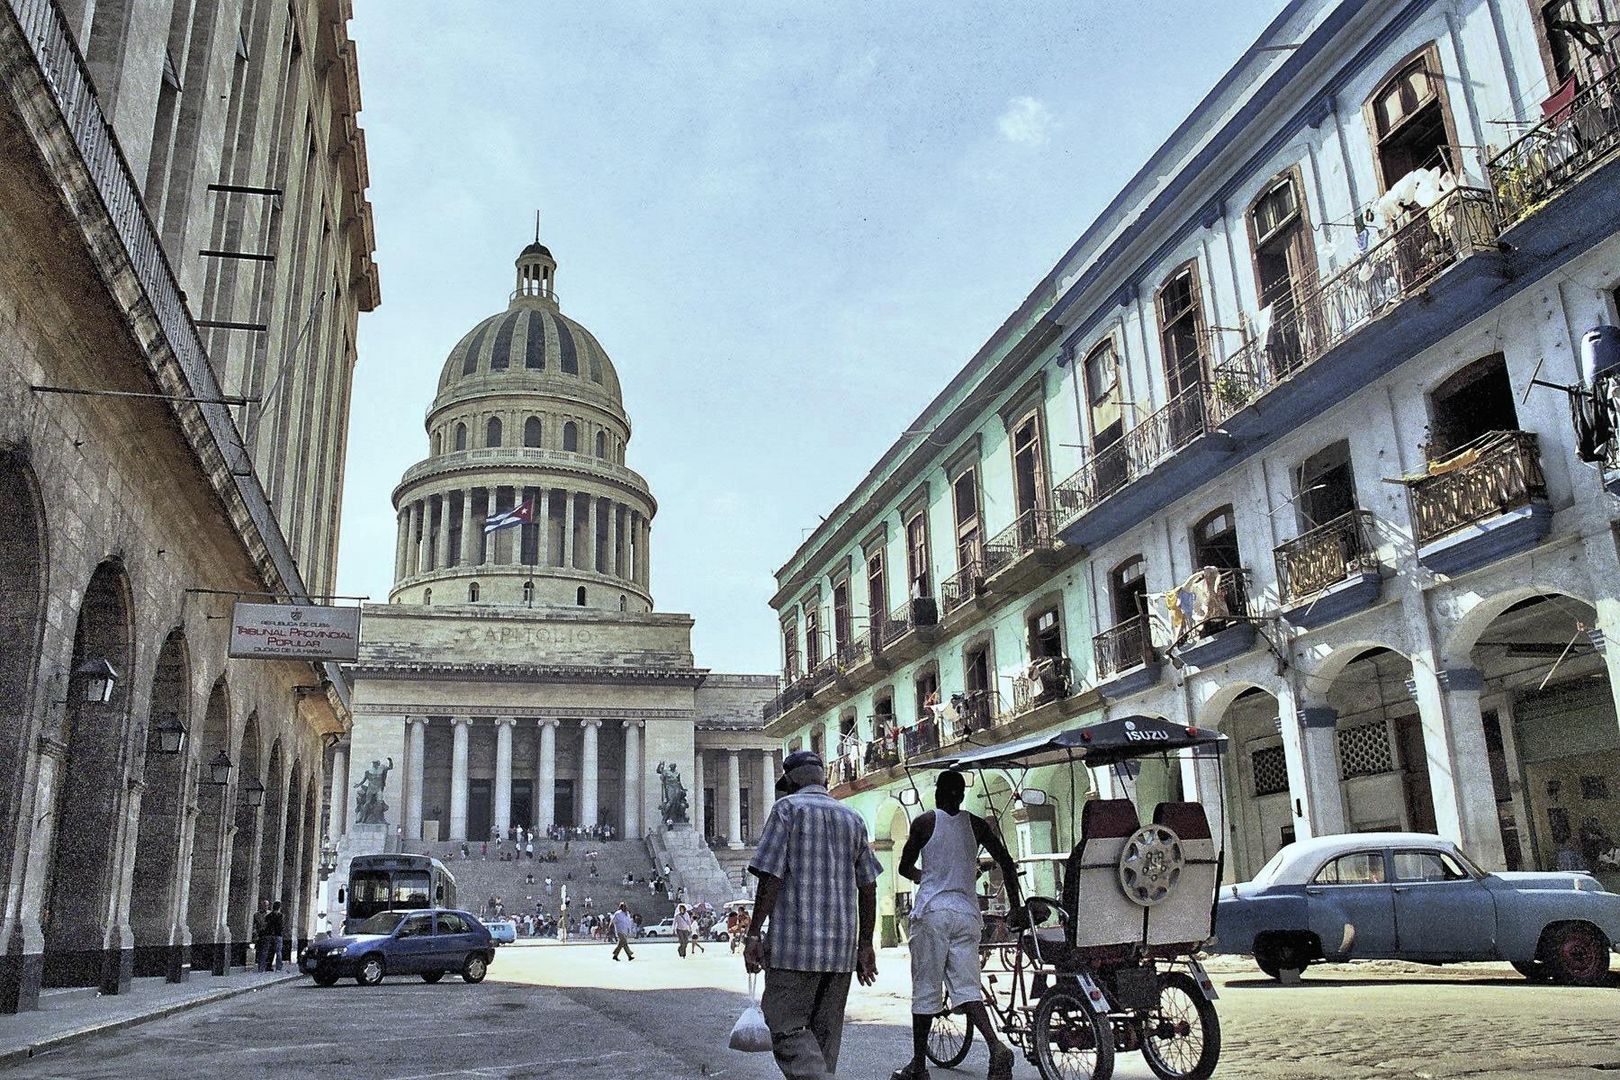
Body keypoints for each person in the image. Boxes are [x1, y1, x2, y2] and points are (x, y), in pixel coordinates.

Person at [745, 750, 881, 1080]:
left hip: (794, 949)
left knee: (783, 1025)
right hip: (840, 954)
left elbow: (771, 877)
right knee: (824, 1040)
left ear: (789, 781)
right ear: (824, 779)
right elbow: (869, 886)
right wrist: (865, 945)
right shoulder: (852, 818)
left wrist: (753, 933)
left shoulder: (787, 810)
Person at [890, 769, 1021, 1080]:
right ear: (961, 795)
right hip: (966, 915)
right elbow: (1006, 861)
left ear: (938, 792)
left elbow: (905, 866)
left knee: (925, 990)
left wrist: (927, 877)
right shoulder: (976, 824)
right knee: (967, 989)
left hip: (933, 913)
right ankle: (995, 1046)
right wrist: (1016, 906)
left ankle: (918, 1066)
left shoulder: (924, 822)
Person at [263, 901, 285, 972]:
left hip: (269, 935)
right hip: (278, 935)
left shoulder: (268, 916)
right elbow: (282, 926)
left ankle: (268, 966)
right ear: (279, 907)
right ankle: (278, 968)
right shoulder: (280, 915)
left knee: (270, 951)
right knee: (278, 952)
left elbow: (266, 925)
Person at [252, 899, 271, 972]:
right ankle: (260, 965)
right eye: (264, 905)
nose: (265, 907)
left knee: (265, 951)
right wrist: (254, 933)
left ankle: (262, 967)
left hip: (267, 935)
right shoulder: (256, 914)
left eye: (266, 905)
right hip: (259, 934)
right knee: (259, 951)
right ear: (261, 906)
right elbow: (254, 925)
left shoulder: (270, 914)